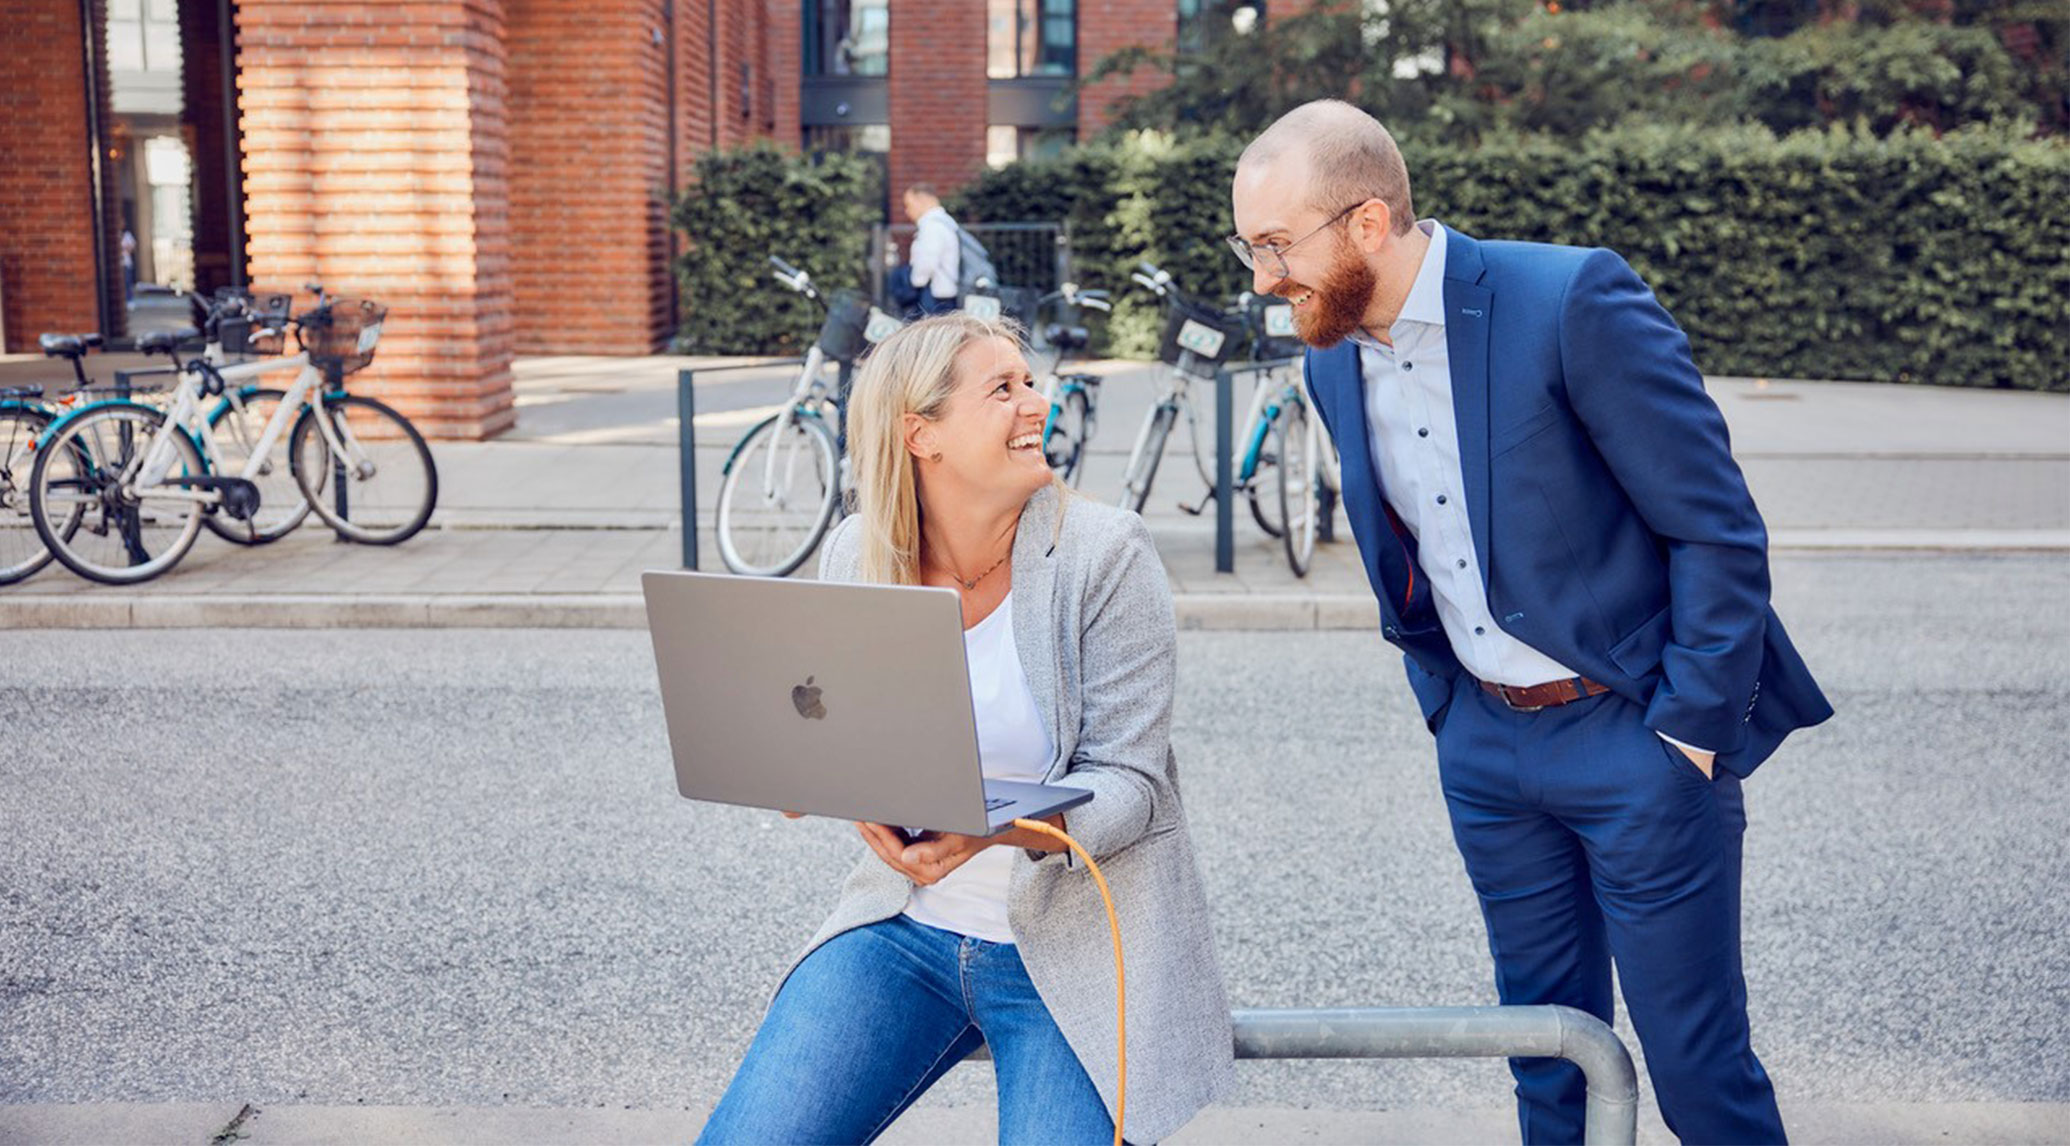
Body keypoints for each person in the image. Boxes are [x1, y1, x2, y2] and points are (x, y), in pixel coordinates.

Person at [1228, 100, 1832, 1146]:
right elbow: (1408, 558)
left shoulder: (1567, 298)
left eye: (1278, 246)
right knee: (1547, 1065)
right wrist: (1451, 715)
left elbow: (1718, 532)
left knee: (1700, 1076)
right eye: (1250, 248)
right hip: (1488, 755)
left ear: (1369, 223)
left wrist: (1688, 731)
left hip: (1635, 738)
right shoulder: (1330, 359)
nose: (1262, 278)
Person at [695, 313, 1234, 1145]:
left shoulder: (1103, 552)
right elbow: (848, 734)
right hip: (904, 929)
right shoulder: (858, 554)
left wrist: (990, 830)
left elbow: (1133, 786)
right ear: (922, 435)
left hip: (1074, 947)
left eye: (1029, 381)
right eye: (1003, 389)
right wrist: (813, 779)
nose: (1036, 403)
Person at [887, 184, 961, 320]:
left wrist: (912, 284)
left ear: (921, 200)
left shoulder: (932, 226)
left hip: (935, 297)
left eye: (909, 205)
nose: (907, 211)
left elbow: (926, 264)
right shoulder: (945, 223)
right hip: (942, 294)